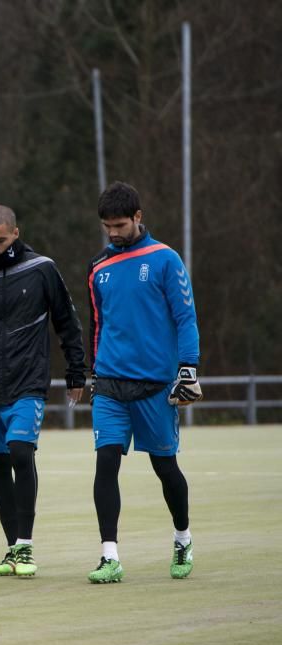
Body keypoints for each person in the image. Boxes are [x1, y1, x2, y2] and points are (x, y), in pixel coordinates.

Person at [0, 205, 87, 577]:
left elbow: (66, 322)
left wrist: (77, 372)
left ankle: (25, 545)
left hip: (28, 383)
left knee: (21, 453)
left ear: (16, 233)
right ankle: (11, 548)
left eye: (0, 240)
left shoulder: (42, 269)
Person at [85, 181, 201, 584]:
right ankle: (109, 556)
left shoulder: (166, 259)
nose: (113, 233)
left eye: (119, 224)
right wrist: (93, 372)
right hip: (110, 384)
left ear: (138, 217)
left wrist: (188, 368)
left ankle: (183, 537)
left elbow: (185, 318)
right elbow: (98, 325)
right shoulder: (98, 267)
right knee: (105, 464)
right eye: (106, 226)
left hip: (155, 386)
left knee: (165, 468)